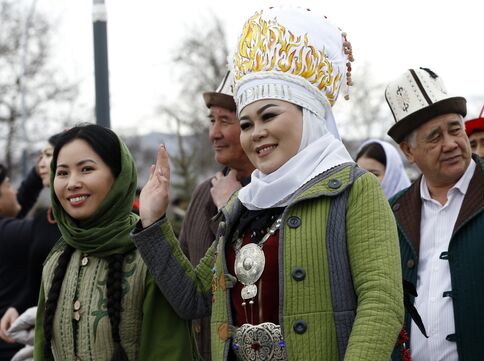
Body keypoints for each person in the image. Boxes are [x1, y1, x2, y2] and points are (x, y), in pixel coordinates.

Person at [133, 6, 403, 361]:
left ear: (309, 116)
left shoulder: (354, 189)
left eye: (269, 115)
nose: (256, 133)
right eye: (245, 124)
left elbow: (381, 303)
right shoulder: (242, 205)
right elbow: (193, 298)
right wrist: (153, 223)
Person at [384, 67, 484, 360]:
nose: (450, 144)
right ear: (409, 151)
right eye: (434, 137)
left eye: (455, 129)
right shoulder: (393, 212)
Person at [32, 124, 197, 361]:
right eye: (62, 172)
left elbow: (168, 351)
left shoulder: (151, 255)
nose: (72, 183)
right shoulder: (56, 260)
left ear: (118, 175)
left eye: (86, 169)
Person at [179, 70, 255, 361]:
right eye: (212, 121)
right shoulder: (201, 195)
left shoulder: (278, 194)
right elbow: (186, 287)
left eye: (226, 121)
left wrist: (231, 206)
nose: (214, 133)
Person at [0, 133, 63, 361]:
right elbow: (45, 230)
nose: (14, 192)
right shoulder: (14, 232)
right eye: (8, 185)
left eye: (47, 155)